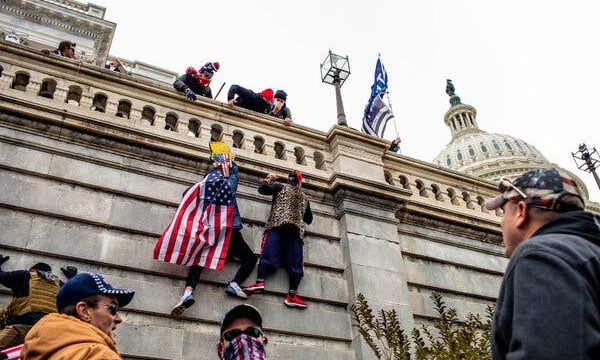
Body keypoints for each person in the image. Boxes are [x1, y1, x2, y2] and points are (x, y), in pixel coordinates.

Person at [485, 168, 600, 360]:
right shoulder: (590, 252)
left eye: (503, 213)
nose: (501, 223)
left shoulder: (541, 254)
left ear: (521, 212)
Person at [169, 153, 258, 317]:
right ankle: (235, 284)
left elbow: (187, 194)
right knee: (250, 258)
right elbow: (234, 178)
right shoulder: (227, 184)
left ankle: (188, 292)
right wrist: (231, 163)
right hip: (228, 230)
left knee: (198, 260)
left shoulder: (203, 186)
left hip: (208, 230)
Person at [21, 272, 135, 360]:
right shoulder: (99, 355)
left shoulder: (33, 350)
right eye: (113, 309)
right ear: (84, 311)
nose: (119, 319)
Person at [244, 171, 313, 309]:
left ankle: (260, 281)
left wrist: (268, 179)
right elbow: (309, 219)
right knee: (296, 263)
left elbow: (262, 190)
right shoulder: (305, 197)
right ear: (299, 182)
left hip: (277, 224)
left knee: (268, 253)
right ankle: (291, 295)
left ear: (289, 180)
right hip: (295, 230)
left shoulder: (279, 187)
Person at [0, 256, 77, 350]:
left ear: (32, 269)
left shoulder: (25, 275)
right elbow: (76, 294)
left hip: (22, 328)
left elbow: (2, 277)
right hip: (49, 334)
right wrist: (73, 277)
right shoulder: (59, 284)